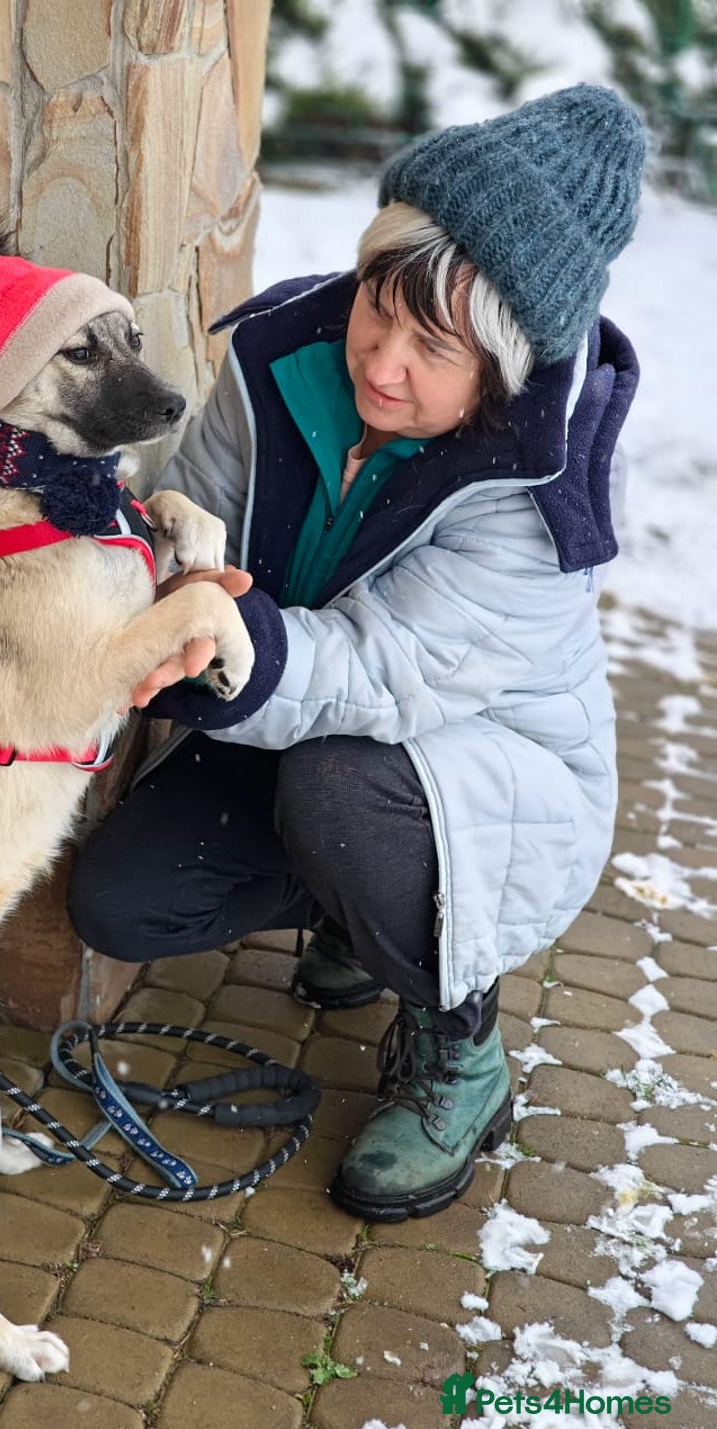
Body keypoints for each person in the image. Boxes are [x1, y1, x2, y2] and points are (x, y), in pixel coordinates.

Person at [67, 84, 646, 1222]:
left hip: (484, 779)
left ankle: (460, 1052)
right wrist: (180, 572)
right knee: (122, 904)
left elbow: (384, 675)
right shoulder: (282, 356)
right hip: (303, 715)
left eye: (435, 349)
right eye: (381, 311)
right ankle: (360, 914)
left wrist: (229, 638)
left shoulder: (538, 499)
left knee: (340, 792)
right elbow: (211, 522)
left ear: (504, 365)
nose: (383, 362)